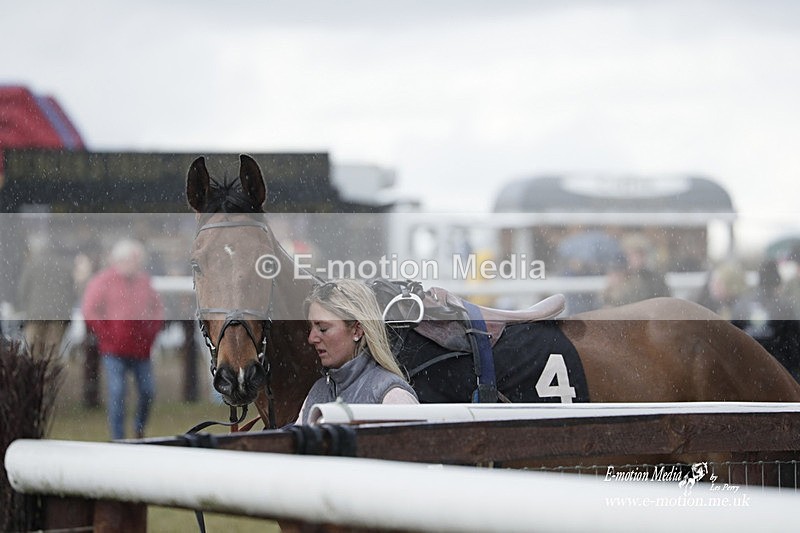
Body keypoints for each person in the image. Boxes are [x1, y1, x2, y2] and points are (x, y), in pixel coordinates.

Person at [296, 279, 418, 425]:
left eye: (322, 328)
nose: (311, 339)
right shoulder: (317, 392)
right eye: (311, 328)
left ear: (357, 330)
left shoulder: (393, 396)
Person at [81, 239, 164, 440]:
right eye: (128, 260)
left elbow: (157, 310)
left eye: (135, 260)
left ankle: (139, 428)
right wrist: (106, 332)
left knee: (148, 392)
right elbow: (90, 310)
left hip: (141, 350)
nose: (133, 264)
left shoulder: (144, 282)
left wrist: (151, 331)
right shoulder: (103, 281)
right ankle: (118, 438)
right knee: (117, 393)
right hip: (113, 350)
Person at [732, 258, 800, 380]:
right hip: (779, 374)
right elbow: (794, 347)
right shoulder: (785, 307)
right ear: (778, 282)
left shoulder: (741, 305)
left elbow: (733, 343)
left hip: (746, 372)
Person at [16, 236, 76, 354]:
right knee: (52, 352)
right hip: (58, 316)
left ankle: (34, 372)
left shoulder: (32, 265)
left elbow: (22, 291)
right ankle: (50, 372)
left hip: (35, 315)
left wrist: (27, 308)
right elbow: (71, 294)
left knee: (32, 351)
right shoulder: (65, 267)